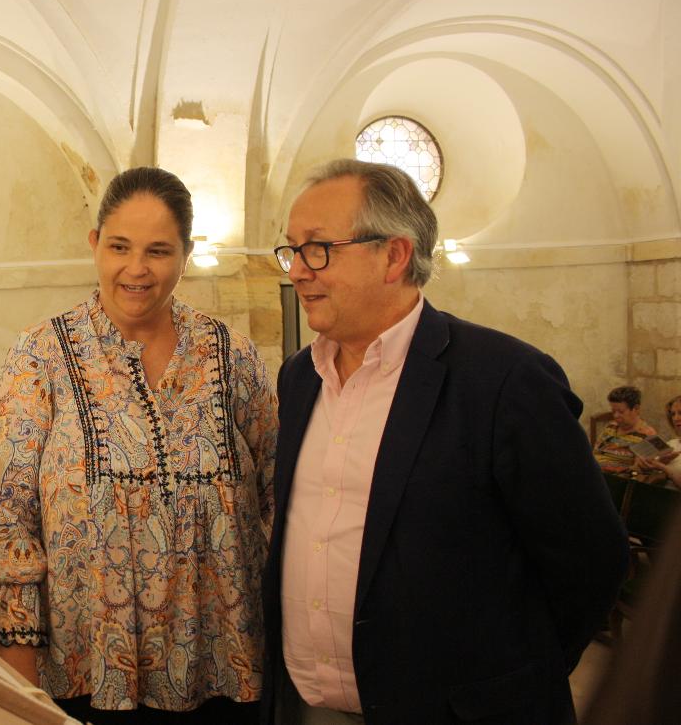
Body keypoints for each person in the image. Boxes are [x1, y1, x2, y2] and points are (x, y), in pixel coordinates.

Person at [263, 159, 628, 725]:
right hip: (309, 705)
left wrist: (511, 682)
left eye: (317, 249)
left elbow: (591, 560)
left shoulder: (505, 379)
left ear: (394, 255)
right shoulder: (299, 377)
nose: (298, 271)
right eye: (292, 250)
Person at [0, 167, 278, 724]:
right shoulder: (39, 357)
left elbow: (280, 496)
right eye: (119, 247)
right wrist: (22, 696)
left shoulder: (232, 355)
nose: (137, 269)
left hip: (227, 679)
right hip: (87, 681)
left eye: (158, 251)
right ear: (95, 244)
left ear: (186, 255)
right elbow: (4, 525)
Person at [592, 386, 658, 473]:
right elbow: (595, 452)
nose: (616, 416)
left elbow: (638, 470)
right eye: (613, 411)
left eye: (621, 412)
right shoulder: (611, 426)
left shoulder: (648, 434)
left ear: (636, 409)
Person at [632, 394, 681, 486]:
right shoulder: (672, 444)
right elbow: (636, 472)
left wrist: (664, 468)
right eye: (673, 414)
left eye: (680, 413)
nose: (675, 418)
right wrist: (644, 465)